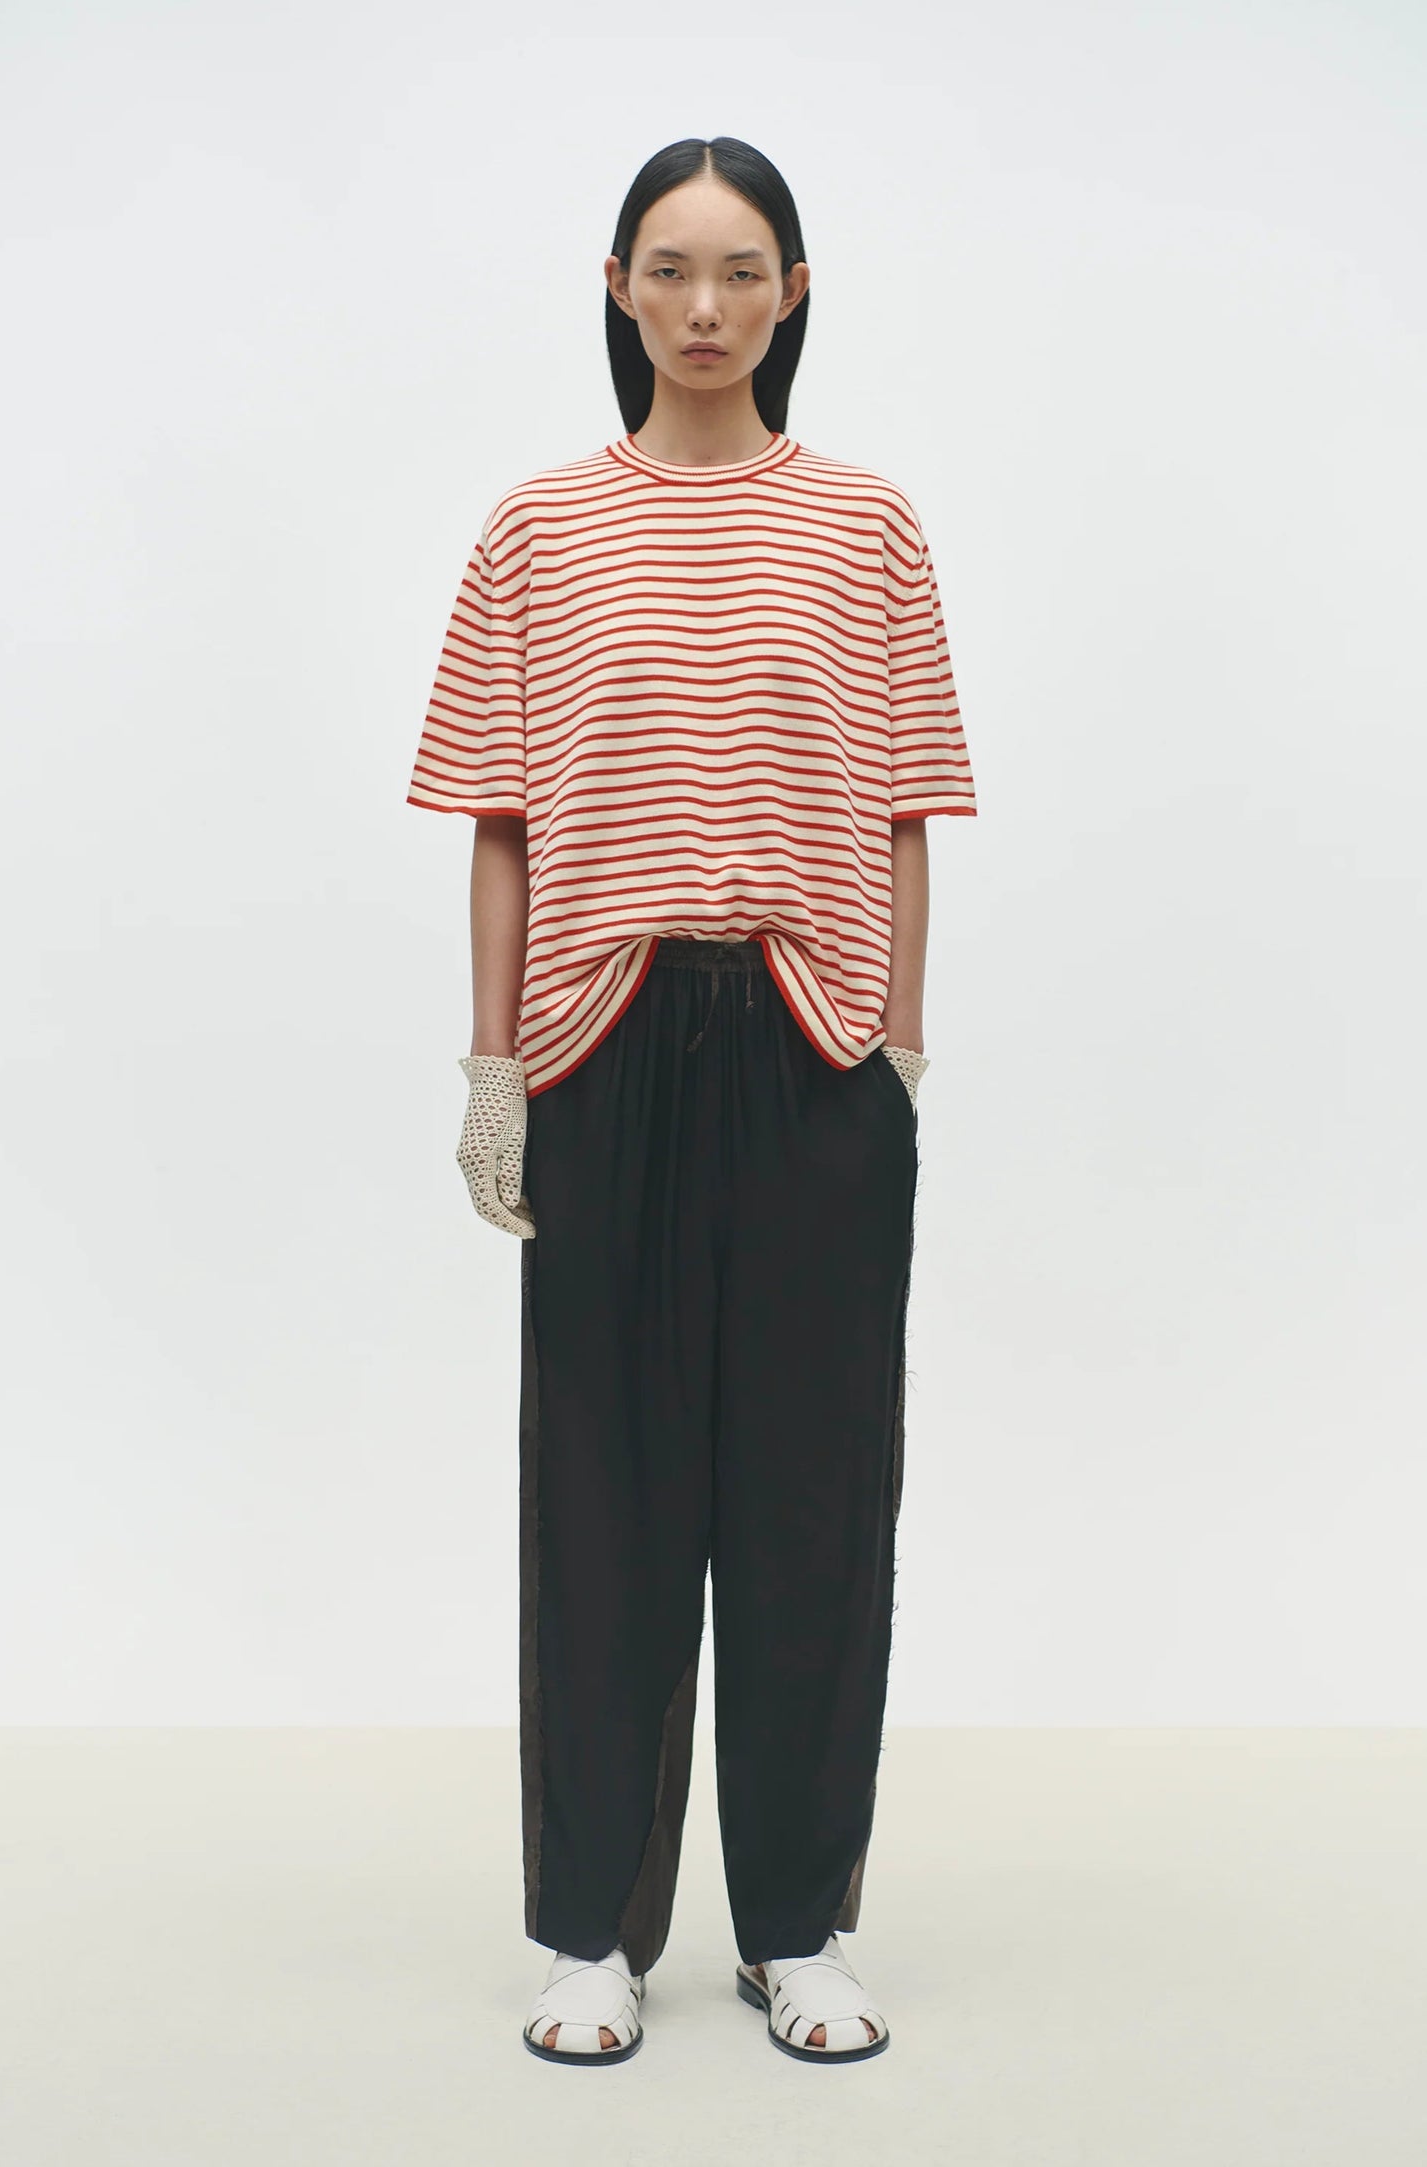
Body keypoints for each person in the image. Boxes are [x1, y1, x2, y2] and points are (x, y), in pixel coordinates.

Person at [405, 135, 977, 2065]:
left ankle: (796, 1929)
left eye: (743, 271)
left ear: (793, 294)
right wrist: (494, 1072)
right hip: (602, 1039)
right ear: (617, 286)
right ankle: (591, 1935)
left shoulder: (867, 527)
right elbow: (498, 823)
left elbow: (905, 811)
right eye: (670, 268)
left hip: (814, 1044)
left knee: (812, 1499)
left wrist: (897, 1052)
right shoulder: (538, 528)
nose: (706, 306)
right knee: (605, 1495)